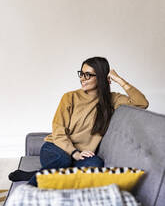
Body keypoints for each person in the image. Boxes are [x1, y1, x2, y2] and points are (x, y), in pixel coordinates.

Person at [9, 57, 149, 186]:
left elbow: (141, 103)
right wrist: (74, 152)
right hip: (56, 147)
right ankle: (28, 191)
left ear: (100, 77)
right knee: (63, 160)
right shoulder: (69, 97)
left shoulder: (112, 100)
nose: (82, 78)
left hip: (83, 154)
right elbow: (58, 130)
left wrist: (119, 79)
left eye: (87, 74)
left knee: (95, 165)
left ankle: (37, 173)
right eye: (81, 74)